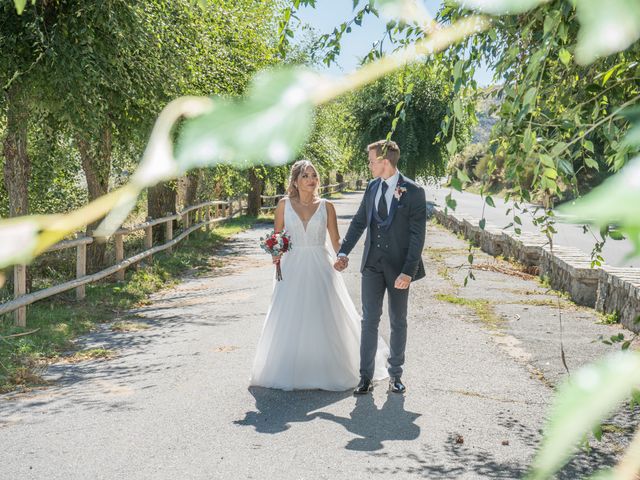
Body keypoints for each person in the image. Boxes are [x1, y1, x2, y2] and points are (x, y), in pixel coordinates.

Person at [250, 160, 388, 391]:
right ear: (295, 180)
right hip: (292, 266)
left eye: (314, 175)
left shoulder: (327, 206)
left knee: (323, 313)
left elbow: (335, 240)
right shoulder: (284, 205)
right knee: (291, 314)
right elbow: (277, 237)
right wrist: (275, 253)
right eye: (305, 176)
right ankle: (294, 368)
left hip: (321, 266)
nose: (311, 180)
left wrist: (342, 256)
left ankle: (330, 367)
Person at [335, 140, 427, 395]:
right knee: (369, 320)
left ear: (384, 161)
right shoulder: (372, 187)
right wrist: (343, 251)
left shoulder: (414, 191)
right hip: (372, 266)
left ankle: (395, 375)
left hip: (399, 268)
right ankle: (365, 377)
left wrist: (408, 271)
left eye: (371, 161)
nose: (369, 165)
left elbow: (417, 236)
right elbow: (359, 222)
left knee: (398, 320)